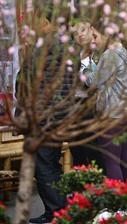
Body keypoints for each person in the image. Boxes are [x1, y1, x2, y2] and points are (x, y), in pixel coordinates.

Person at [28, 12, 72, 224]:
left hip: (45, 114)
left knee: (44, 164)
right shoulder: (68, 45)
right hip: (61, 113)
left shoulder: (45, 46)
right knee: (52, 162)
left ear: (44, 21)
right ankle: (60, 209)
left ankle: (54, 211)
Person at [81, 24, 127, 181]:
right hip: (126, 112)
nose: (94, 41)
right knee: (124, 159)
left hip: (112, 114)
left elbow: (93, 81)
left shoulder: (110, 54)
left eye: (95, 37)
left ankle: (117, 202)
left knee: (112, 162)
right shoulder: (124, 51)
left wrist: (84, 67)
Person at [70, 19, 104, 168]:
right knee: (76, 148)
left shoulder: (100, 52)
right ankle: (81, 185)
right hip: (75, 104)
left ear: (91, 29)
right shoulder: (75, 54)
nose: (80, 35)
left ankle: (98, 185)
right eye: (75, 34)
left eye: (83, 30)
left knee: (94, 150)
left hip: (93, 105)